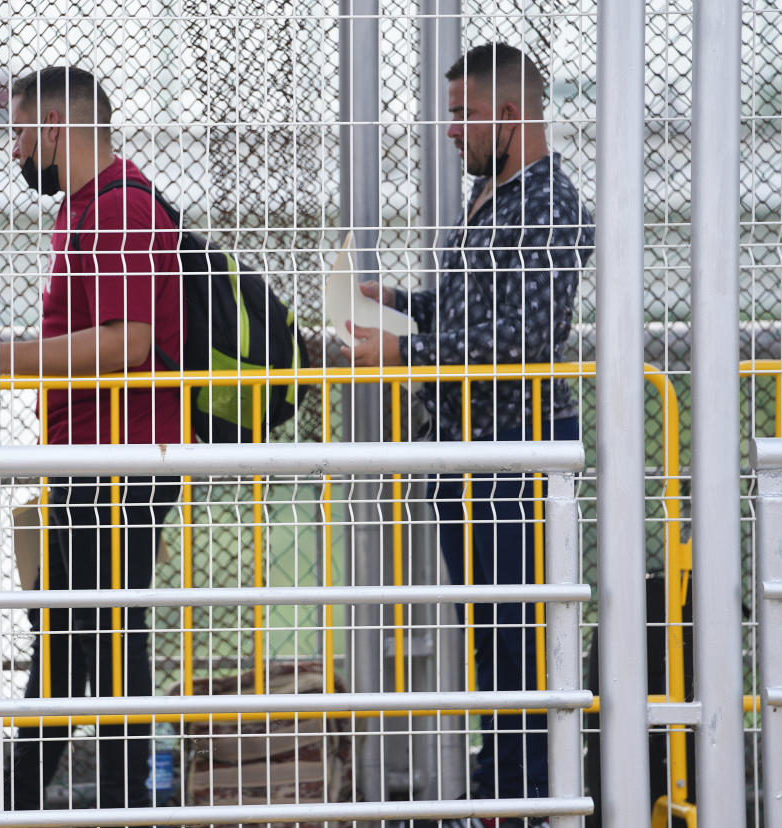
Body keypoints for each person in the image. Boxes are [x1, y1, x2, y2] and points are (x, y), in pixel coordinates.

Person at [343, 43, 592, 824]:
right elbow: (474, 315)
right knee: (492, 634)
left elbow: (525, 336)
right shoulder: (493, 192)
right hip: (466, 453)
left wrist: (405, 351)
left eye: (461, 114)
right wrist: (403, 302)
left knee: (517, 640)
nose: (449, 130)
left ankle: (522, 798)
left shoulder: (550, 206)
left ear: (509, 114)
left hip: (511, 461)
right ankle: (501, 789)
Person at [0, 65, 183, 815]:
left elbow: (128, 341)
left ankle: (106, 800)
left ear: (54, 126)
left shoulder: (117, 209)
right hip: (88, 452)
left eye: (18, 133)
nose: (13, 153)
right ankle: (16, 799)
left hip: (119, 456)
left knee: (102, 638)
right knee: (72, 638)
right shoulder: (88, 207)